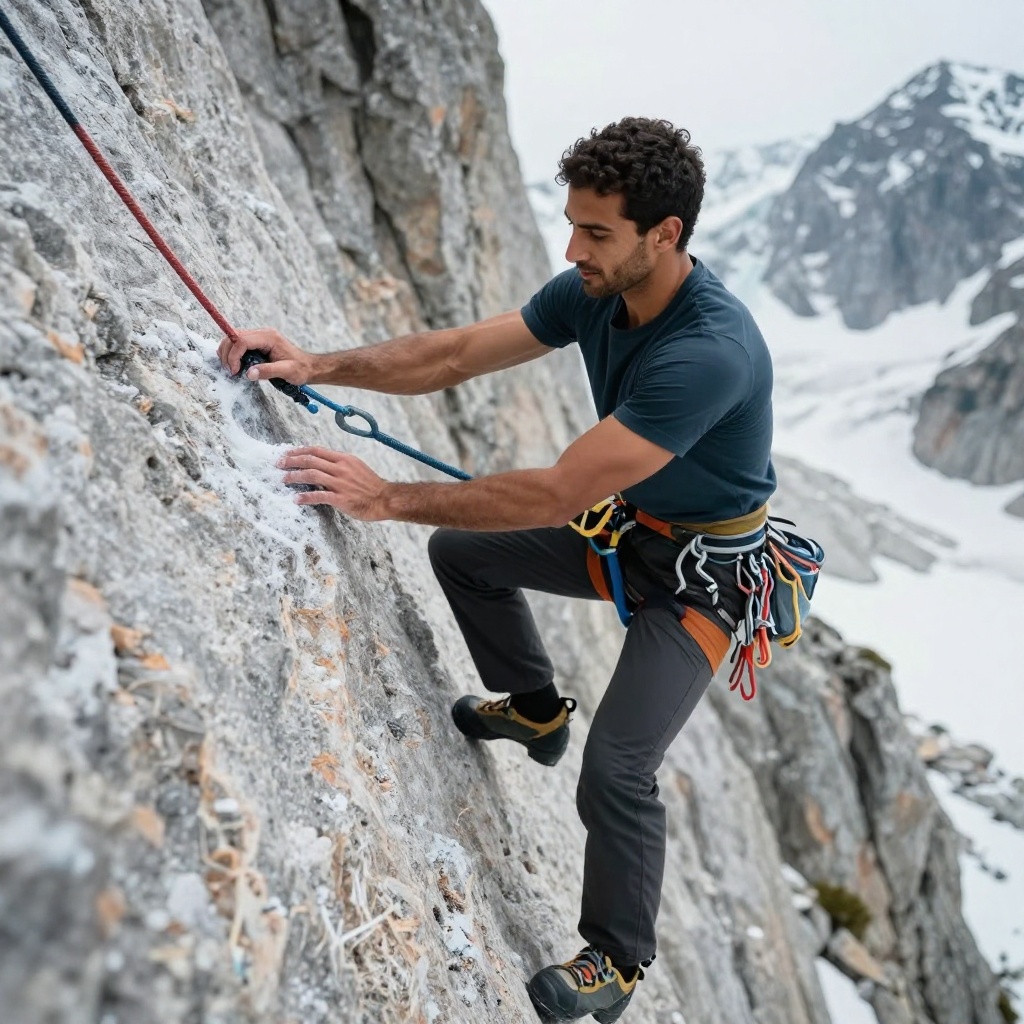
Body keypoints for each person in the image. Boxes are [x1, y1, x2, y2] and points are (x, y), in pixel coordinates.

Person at [219, 116, 775, 1024]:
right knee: (465, 554)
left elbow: (559, 491)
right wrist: (316, 362)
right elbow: (453, 355)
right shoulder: (594, 292)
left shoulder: (707, 354)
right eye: (572, 224)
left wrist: (386, 497)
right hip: (636, 528)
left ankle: (616, 962)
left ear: (665, 235)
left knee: (619, 769)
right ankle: (534, 707)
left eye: (597, 232)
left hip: (702, 578)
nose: (573, 248)